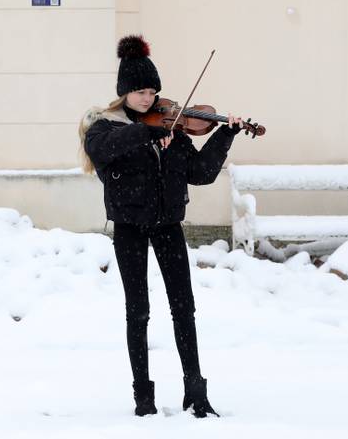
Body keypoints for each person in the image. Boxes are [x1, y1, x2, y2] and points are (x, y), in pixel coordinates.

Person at [78, 34, 243, 417]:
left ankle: (196, 393)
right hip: (130, 228)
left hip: (168, 225)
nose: (147, 98)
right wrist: (148, 132)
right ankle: (143, 397)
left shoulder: (172, 128)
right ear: (124, 93)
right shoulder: (106, 128)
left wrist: (225, 134)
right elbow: (100, 153)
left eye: (152, 90)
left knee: (183, 308)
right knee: (138, 311)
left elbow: (201, 174)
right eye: (139, 91)